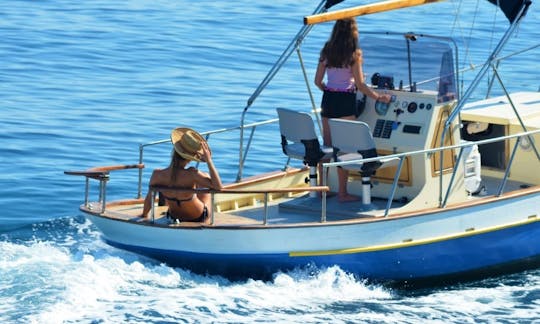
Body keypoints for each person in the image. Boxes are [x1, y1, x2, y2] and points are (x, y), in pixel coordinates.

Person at [314, 17, 391, 203]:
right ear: (353, 32)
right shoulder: (353, 54)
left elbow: (317, 81)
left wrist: (329, 90)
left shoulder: (326, 50)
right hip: (345, 101)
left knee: (327, 146)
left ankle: (320, 189)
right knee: (344, 149)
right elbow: (360, 84)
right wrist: (378, 97)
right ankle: (342, 193)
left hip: (329, 99)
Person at [141, 127, 223, 223]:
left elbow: (149, 200)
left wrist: (144, 215)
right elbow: (219, 187)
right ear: (190, 158)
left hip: (173, 215)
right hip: (198, 217)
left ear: (174, 151)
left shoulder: (157, 175)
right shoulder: (192, 174)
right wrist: (209, 161)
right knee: (205, 188)